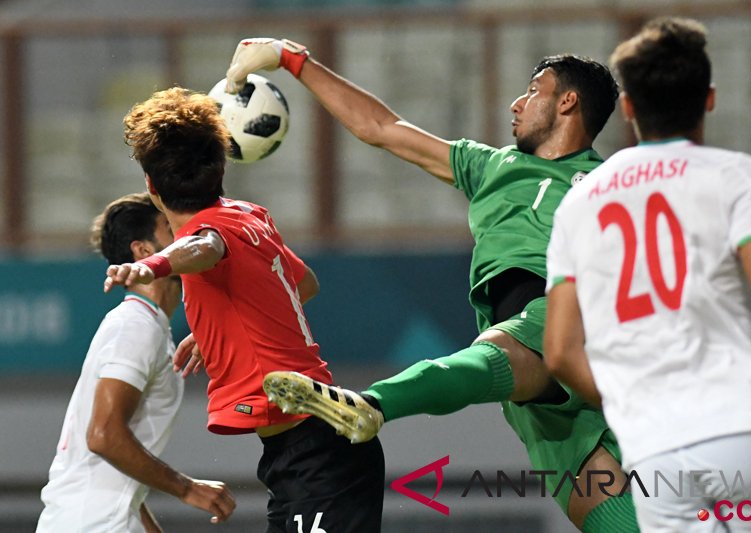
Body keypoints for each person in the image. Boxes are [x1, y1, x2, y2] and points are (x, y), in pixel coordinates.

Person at [223, 38, 638, 531]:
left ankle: (371, 403)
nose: (516, 103)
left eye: (533, 90)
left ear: (567, 101)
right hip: (539, 391)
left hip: (570, 329)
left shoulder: (613, 181)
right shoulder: (492, 166)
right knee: (624, 525)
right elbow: (381, 128)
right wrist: (294, 59)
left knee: (502, 347)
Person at [544, 17, 751, 531]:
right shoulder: (740, 177)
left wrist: (634, 402)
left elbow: (560, 353)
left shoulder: (580, 202)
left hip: (655, 449)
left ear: (630, 108)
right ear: (708, 98)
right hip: (743, 427)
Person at [102, 88, 385, 533]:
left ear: (152, 188)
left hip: (315, 451)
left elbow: (205, 247)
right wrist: (222, 326)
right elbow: (303, 282)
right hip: (306, 453)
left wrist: (152, 263)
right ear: (222, 167)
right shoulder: (249, 215)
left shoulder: (207, 232)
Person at [37, 193, 235, 533]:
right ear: (143, 251)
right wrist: (187, 488)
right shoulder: (135, 326)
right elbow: (103, 436)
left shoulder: (147, 326)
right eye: (169, 228)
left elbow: (115, 462)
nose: (184, 236)